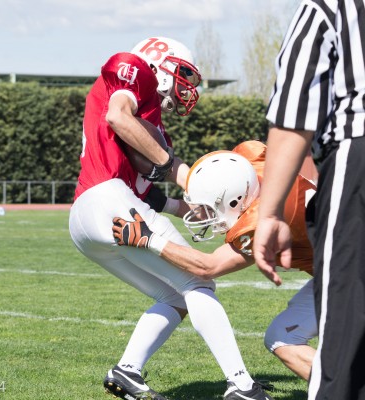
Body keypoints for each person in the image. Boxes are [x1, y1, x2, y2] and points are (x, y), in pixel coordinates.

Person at [69, 37, 273, 400]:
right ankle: (242, 385)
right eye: (183, 74)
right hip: (106, 196)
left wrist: (190, 206)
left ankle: (127, 371)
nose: (185, 87)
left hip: (87, 218)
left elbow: (146, 191)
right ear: (160, 62)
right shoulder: (135, 72)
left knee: (174, 297)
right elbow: (118, 116)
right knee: (199, 283)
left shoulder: (150, 120)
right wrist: (167, 164)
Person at [112, 140, 317, 381]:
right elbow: (213, 178)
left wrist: (149, 239)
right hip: (342, 265)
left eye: (209, 209)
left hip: (350, 273)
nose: (206, 216)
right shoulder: (251, 164)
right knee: (283, 335)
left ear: (234, 200)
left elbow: (208, 267)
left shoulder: (262, 220)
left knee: (286, 338)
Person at [253, 1, 365, 399]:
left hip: (356, 158)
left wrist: (268, 212)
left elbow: (294, 114)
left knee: (344, 346)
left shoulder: (328, 7)